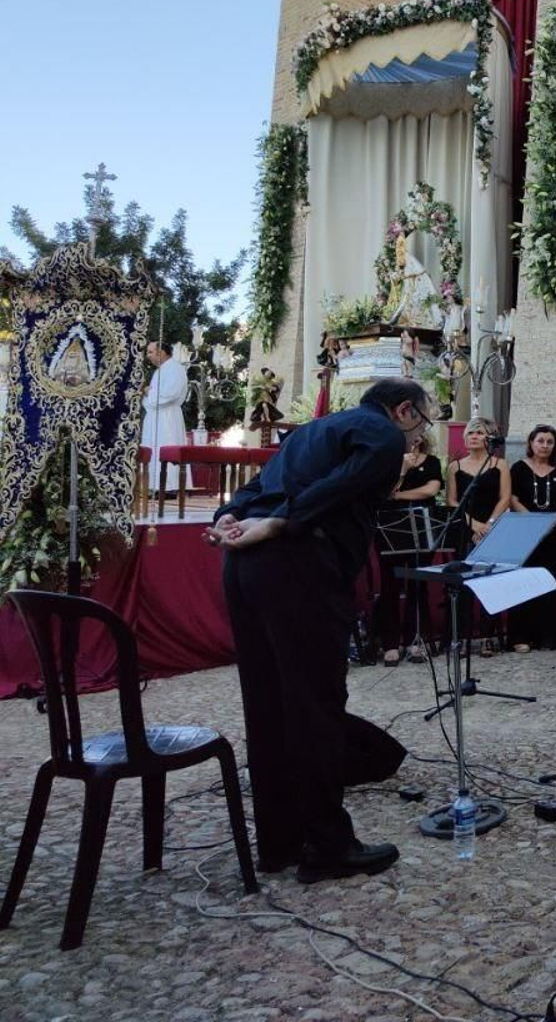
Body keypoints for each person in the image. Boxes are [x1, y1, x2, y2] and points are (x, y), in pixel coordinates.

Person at [208, 377, 432, 884]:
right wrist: (283, 522)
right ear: (402, 410)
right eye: (421, 420)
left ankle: (280, 842)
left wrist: (229, 516)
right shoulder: (384, 435)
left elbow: (255, 486)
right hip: (299, 565)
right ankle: (328, 844)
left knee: (267, 702)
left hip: (245, 568)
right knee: (314, 705)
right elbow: (342, 486)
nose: (419, 434)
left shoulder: (311, 431)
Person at [373, 432, 442, 666]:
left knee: (418, 585)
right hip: (390, 529)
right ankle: (390, 643)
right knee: (389, 586)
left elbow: (430, 490)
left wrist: (398, 495)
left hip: (421, 527)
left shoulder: (431, 462)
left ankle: (417, 640)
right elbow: (382, 493)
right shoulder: (387, 462)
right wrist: (401, 469)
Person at [507, 424, 556, 652]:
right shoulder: (518, 468)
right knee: (522, 582)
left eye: (549, 442)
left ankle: (547, 636)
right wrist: (532, 522)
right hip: (524, 533)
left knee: (547, 582)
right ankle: (520, 637)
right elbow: (512, 497)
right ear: (531, 443)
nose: (544, 445)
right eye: (540, 441)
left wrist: (549, 523)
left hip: (552, 535)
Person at [447, 417, 511, 653]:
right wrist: (474, 525)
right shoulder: (456, 466)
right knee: (464, 584)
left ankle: (487, 635)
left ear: (489, 438)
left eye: (480, 433)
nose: (474, 436)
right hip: (466, 528)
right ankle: (462, 637)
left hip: (493, 528)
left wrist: (489, 524)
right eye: (471, 433)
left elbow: (505, 497)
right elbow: (452, 501)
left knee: (490, 582)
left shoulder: (499, 464)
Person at [141, 341, 189, 492]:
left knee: (165, 445)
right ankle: (154, 486)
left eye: (150, 352)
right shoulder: (160, 371)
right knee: (153, 448)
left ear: (161, 352)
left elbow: (171, 393)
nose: (148, 356)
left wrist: (149, 391)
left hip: (167, 417)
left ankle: (169, 487)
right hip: (156, 415)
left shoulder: (175, 368)